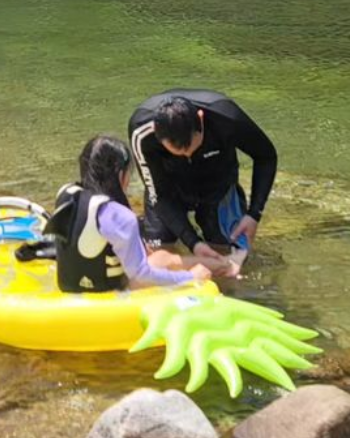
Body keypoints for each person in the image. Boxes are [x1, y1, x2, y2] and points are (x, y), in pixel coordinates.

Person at [128, 89, 277, 279]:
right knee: (159, 250)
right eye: (179, 152)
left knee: (228, 253)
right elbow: (159, 195)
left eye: (192, 147)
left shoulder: (226, 117)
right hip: (169, 186)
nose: (188, 154)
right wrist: (193, 243)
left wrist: (254, 214)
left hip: (217, 181)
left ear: (200, 118)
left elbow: (266, 156)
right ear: (157, 133)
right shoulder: (142, 131)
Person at [46, 134, 212, 293]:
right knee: (161, 259)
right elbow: (141, 275)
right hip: (109, 295)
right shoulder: (120, 216)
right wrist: (190, 278)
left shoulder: (66, 195)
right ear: (121, 175)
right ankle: (217, 264)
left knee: (160, 256)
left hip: (69, 288)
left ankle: (218, 263)